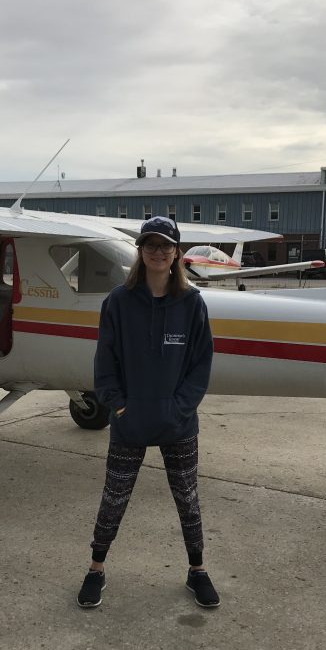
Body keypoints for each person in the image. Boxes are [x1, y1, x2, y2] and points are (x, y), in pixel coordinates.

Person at [77, 216, 218, 609]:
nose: (158, 252)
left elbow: (200, 365)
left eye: (166, 245)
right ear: (140, 251)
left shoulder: (192, 304)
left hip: (179, 424)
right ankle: (96, 568)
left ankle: (198, 570)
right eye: (150, 245)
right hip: (130, 423)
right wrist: (119, 406)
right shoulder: (118, 302)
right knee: (114, 499)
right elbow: (104, 365)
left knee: (188, 499)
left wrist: (179, 408)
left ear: (177, 253)